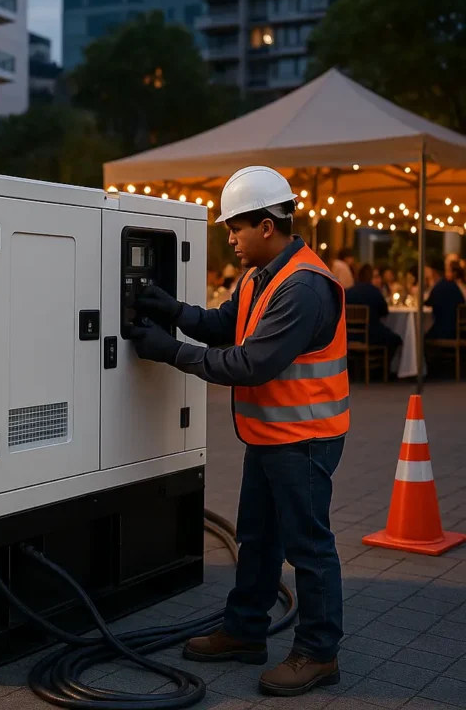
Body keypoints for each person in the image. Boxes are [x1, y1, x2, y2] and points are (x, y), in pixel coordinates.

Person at [131, 165, 347, 698]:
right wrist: (175, 311)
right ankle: (246, 631)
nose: (230, 238)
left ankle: (318, 654)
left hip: (306, 439)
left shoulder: (304, 287)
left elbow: (250, 363)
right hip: (273, 437)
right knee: (256, 538)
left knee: (308, 547)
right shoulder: (261, 275)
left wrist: (171, 352)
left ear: (267, 226)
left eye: (236, 228)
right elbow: (228, 323)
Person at [346, 264, 403, 356]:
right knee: (395, 340)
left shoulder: (348, 292)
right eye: (376, 277)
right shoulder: (374, 291)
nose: (379, 280)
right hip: (370, 335)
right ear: (369, 277)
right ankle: (383, 367)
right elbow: (385, 312)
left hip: (349, 337)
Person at [425, 255, 465, 340]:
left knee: (420, 335)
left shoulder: (439, 287)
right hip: (458, 331)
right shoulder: (453, 285)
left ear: (433, 271)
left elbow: (427, 304)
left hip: (445, 332)